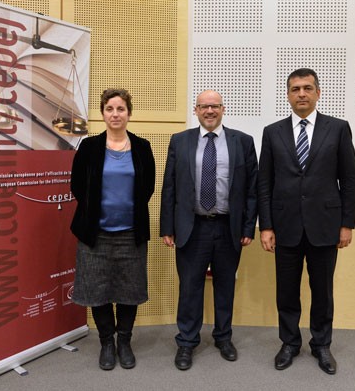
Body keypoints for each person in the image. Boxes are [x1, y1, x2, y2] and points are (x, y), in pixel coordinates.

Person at [257, 68, 355, 375]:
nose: (301, 93)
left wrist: (346, 224)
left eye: (307, 88)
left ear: (318, 92)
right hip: (285, 225)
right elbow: (265, 182)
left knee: (323, 290)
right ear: (288, 95)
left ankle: (321, 344)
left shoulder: (338, 129)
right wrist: (266, 226)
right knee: (286, 291)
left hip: (325, 225)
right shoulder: (272, 132)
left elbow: (349, 179)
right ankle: (289, 343)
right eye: (295, 89)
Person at [160, 90, 258, 370]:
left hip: (229, 227)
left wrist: (248, 226)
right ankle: (186, 342)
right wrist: (168, 227)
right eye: (204, 106)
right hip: (192, 227)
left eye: (215, 106)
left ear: (223, 109)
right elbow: (170, 186)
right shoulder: (180, 141)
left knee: (225, 286)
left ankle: (223, 337)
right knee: (190, 288)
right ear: (196, 110)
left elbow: (252, 189)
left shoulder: (243, 141)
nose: (210, 111)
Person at [70, 88, 155, 371]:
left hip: (131, 233)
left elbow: (147, 188)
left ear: (129, 113)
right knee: (98, 290)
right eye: (110, 109)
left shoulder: (142, 147)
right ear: (102, 113)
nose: (115, 114)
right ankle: (107, 342)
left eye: (120, 109)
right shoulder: (89, 147)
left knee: (129, 290)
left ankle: (124, 342)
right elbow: (77, 186)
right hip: (95, 234)